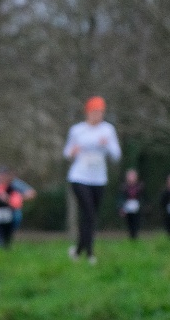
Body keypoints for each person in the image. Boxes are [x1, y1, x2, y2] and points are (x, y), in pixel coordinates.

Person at [63, 95, 121, 264]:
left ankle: (77, 250)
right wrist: (72, 152)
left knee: (90, 216)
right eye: (95, 111)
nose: (98, 115)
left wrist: (107, 145)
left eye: (101, 112)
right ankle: (89, 253)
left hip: (99, 179)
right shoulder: (77, 130)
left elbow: (116, 155)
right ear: (87, 112)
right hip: (79, 177)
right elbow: (66, 152)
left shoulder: (108, 130)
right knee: (88, 212)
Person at [0, 168, 34, 248]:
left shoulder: (14, 187)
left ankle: (5, 243)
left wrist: (7, 199)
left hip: (9, 212)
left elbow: (18, 202)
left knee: (8, 229)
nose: (2, 178)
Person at [117, 168, 145, 240]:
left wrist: (143, 206)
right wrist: (121, 208)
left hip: (137, 208)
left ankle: (135, 236)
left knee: (136, 222)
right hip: (127, 208)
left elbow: (142, 198)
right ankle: (132, 237)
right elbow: (121, 198)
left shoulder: (140, 187)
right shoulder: (124, 187)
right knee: (130, 223)